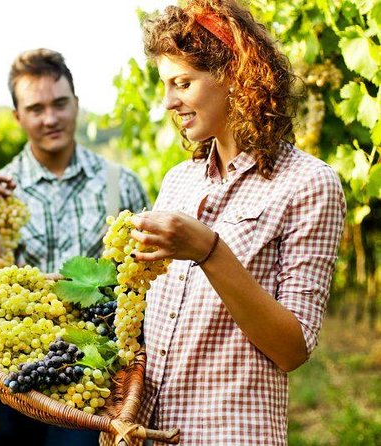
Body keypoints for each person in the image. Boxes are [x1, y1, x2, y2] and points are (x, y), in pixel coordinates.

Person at [123, 0, 346, 444]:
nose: (169, 101)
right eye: (165, 85)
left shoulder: (308, 184)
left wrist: (210, 251)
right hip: (149, 433)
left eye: (183, 82)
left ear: (234, 76)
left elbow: (292, 349)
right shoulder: (178, 182)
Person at [0, 48, 150, 446]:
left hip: (91, 383)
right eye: (36, 108)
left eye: (60, 104)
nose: (50, 118)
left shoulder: (121, 184)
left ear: (76, 104)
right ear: (17, 116)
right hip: (13, 376)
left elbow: (144, 285)